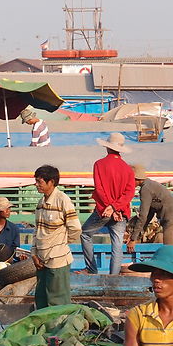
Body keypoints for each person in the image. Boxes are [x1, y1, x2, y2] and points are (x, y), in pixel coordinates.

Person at [81, 132, 136, 275]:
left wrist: (110, 207)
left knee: (85, 234)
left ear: (107, 148)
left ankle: (92, 269)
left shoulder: (99, 164)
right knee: (117, 246)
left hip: (103, 210)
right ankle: (114, 277)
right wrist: (115, 208)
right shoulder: (128, 169)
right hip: (120, 212)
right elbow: (129, 194)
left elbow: (99, 189)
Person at [33, 164, 81, 308]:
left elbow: (76, 228)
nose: (36, 185)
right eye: (36, 181)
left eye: (39, 182)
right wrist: (34, 254)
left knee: (57, 302)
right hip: (41, 260)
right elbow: (37, 231)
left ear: (51, 182)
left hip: (57, 260)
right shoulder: (40, 203)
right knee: (41, 299)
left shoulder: (63, 200)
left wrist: (61, 244)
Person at [128, 165, 173, 249]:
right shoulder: (150, 185)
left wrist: (133, 239)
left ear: (136, 178)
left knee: (170, 253)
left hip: (172, 224)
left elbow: (143, 216)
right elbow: (149, 214)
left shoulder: (146, 189)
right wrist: (139, 234)